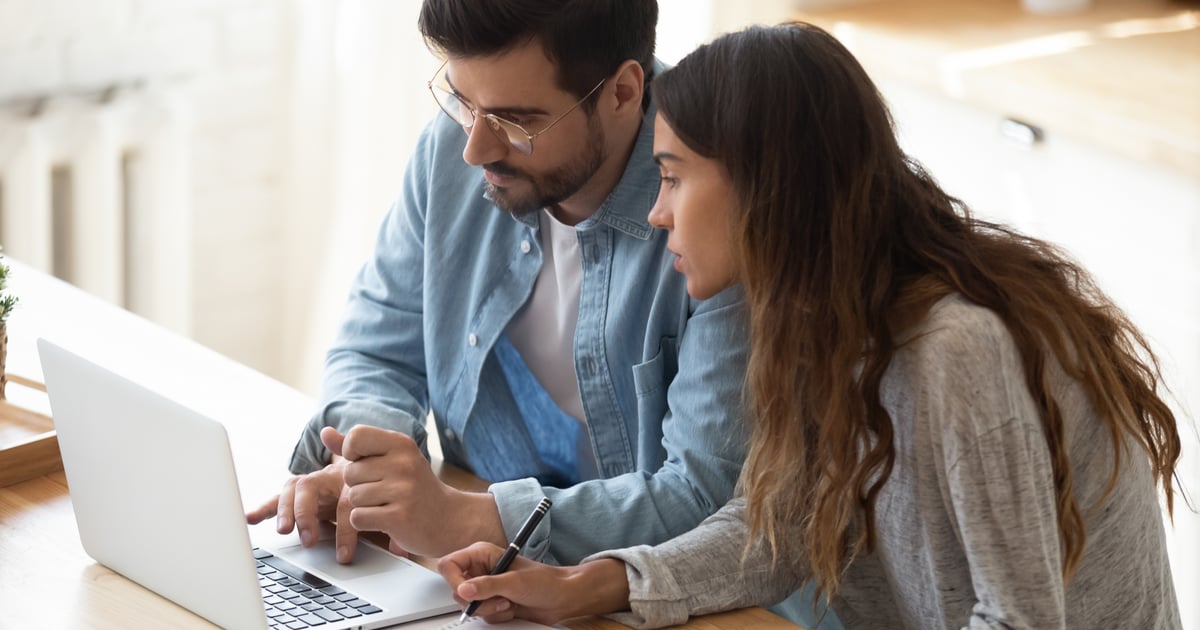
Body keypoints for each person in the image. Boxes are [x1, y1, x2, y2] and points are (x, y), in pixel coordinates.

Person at [435, 21, 1184, 629]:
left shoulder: (956, 349)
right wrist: (594, 585)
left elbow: (1020, 620)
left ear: (766, 188)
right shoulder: (821, 323)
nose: (657, 211)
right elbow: (778, 529)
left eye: (671, 176)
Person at [245, 0, 754, 581]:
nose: (474, 149)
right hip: (476, 579)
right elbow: (377, 345)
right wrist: (372, 467)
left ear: (621, 92)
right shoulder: (453, 145)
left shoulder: (721, 202)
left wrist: (465, 519)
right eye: (463, 101)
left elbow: (706, 502)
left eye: (516, 122)